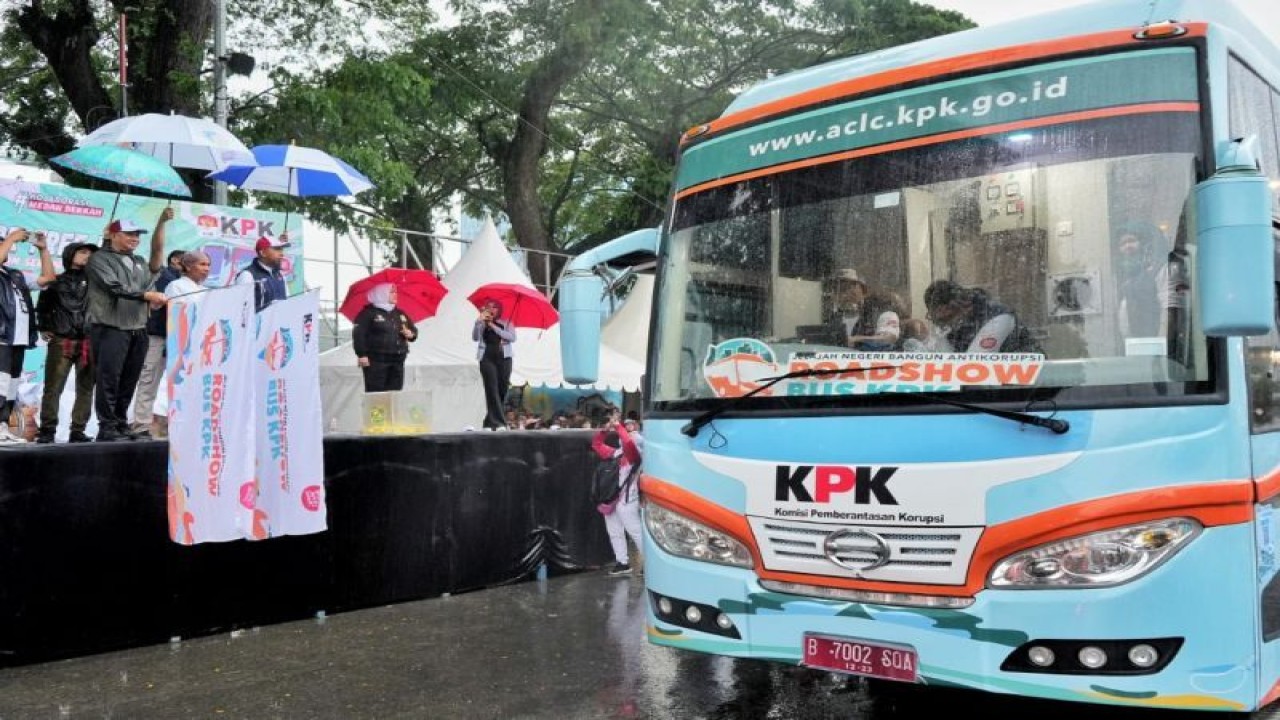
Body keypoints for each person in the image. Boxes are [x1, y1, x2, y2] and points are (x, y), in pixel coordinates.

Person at [86, 211, 172, 442]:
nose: (135, 239)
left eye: (137, 235)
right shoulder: (99, 259)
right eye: (129, 234)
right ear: (113, 235)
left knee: (130, 378)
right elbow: (114, 287)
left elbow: (156, 255)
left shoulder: (139, 262)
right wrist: (148, 295)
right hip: (110, 327)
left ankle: (121, 422)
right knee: (109, 378)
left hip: (138, 328)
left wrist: (161, 222)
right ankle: (106, 425)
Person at [33, 238, 97, 444]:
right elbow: (42, 305)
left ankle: (78, 430)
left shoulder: (97, 282)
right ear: (70, 255)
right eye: (82, 252)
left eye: (90, 253)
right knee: (53, 388)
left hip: (88, 340)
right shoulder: (56, 281)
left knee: (86, 388)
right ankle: (47, 430)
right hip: (62, 340)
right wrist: (43, 326)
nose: (87, 256)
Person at [0, 228, 50, 443]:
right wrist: (11, 238)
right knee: (0, 384)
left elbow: (48, 278)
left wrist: (44, 250)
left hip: (17, 340)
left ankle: (2, 426)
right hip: (1, 337)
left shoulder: (15, 274)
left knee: (11, 387)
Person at [129, 249, 183, 439]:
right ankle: (140, 425)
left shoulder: (191, 284)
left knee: (180, 384)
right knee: (149, 379)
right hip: (158, 334)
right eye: (198, 264)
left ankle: (175, 426)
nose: (204, 269)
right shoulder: (164, 276)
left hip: (181, 338)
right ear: (176, 260)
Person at [1113, 221, 1190, 340]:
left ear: (1145, 244)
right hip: (1138, 348)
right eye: (1123, 243)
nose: (1127, 247)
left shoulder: (1163, 268)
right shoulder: (1127, 278)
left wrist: (1161, 345)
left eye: (1132, 241)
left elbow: (1170, 310)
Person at [922, 279, 1041, 354]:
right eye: (938, 321)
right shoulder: (958, 328)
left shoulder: (998, 317)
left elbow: (975, 364)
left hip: (1034, 386)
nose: (943, 325)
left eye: (944, 319)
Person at [592, 414, 644, 576]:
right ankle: (622, 562)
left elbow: (629, 444)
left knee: (634, 531)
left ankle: (651, 563)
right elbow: (596, 444)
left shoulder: (636, 455)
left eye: (632, 427)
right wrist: (605, 430)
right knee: (614, 531)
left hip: (628, 498)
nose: (629, 431)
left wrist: (618, 426)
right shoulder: (616, 453)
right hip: (612, 498)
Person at [351, 283, 418, 392]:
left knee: (395, 392)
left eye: (395, 292)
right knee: (376, 393)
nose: (395, 295)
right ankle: (377, 410)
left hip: (398, 359)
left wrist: (411, 334)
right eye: (391, 292)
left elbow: (414, 331)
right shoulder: (368, 313)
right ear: (381, 294)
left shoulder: (399, 313)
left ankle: (392, 409)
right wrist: (361, 354)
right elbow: (359, 334)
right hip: (376, 360)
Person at [473, 299, 516, 430]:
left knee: (502, 390)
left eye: (495, 307)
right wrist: (478, 322)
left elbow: (511, 337)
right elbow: (475, 337)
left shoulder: (507, 322)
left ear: (499, 310)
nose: (492, 309)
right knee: (491, 389)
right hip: (487, 357)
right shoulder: (481, 322)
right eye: (489, 307)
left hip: (504, 358)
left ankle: (489, 422)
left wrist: (493, 326)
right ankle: (500, 423)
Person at [235, 233, 290, 312]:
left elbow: (288, 305)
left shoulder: (281, 277)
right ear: (263, 253)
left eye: (281, 249)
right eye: (277, 249)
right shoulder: (247, 275)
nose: (281, 253)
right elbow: (241, 310)